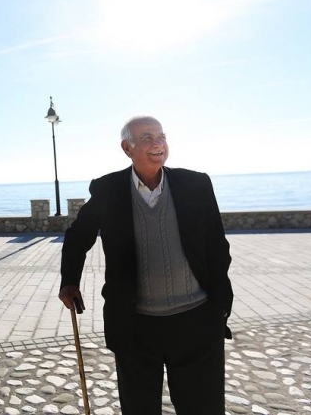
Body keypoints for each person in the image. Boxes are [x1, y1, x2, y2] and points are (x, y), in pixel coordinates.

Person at [58, 115, 233, 415]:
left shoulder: (196, 184)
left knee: (203, 408)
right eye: (148, 137)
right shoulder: (108, 189)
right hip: (134, 326)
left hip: (196, 322)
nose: (158, 143)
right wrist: (69, 281)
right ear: (127, 148)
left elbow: (218, 246)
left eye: (161, 136)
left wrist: (219, 309)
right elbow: (78, 236)